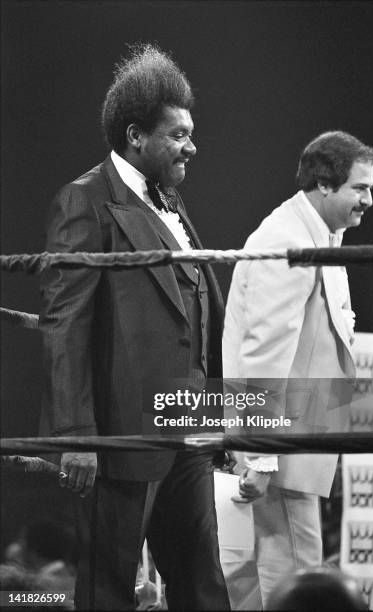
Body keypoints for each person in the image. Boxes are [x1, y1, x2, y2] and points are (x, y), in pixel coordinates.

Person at [39, 43, 230, 611]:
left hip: (187, 429)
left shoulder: (167, 200)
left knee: (203, 582)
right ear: (134, 135)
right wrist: (78, 437)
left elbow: (192, 312)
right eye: (177, 134)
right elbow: (64, 324)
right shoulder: (86, 201)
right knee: (109, 589)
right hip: (121, 438)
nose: (191, 145)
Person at [222, 131, 373, 608]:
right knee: (293, 573)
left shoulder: (318, 234)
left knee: (296, 567)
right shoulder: (286, 241)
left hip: (300, 437)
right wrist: (262, 454)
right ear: (324, 184)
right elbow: (264, 354)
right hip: (281, 444)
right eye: (360, 188)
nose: (369, 200)